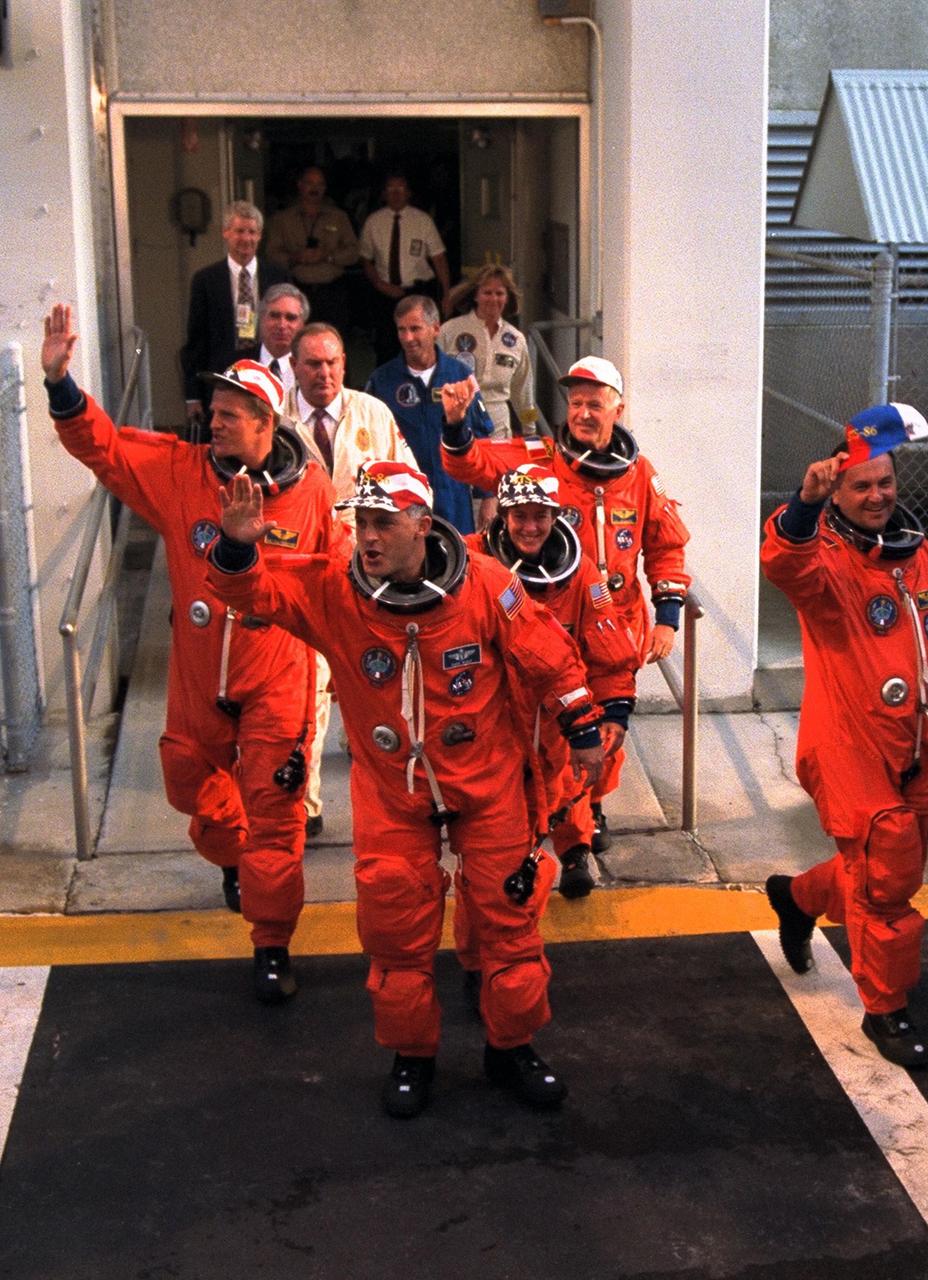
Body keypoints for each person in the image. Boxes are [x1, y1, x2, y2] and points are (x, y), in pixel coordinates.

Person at [206, 458, 605, 1118]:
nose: (367, 536)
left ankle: (512, 1047)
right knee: (395, 928)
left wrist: (583, 722)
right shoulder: (337, 588)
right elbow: (251, 593)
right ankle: (411, 1055)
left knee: (510, 919)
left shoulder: (485, 583)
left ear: (421, 525)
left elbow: (549, 653)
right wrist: (238, 545)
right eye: (361, 522)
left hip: (488, 780)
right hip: (393, 790)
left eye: (383, 523)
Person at [43, 303, 343, 1004]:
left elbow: (331, 587)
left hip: (277, 679)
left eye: (232, 413)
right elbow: (107, 449)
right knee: (186, 782)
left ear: (268, 425)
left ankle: (270, 944)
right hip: (196, 675)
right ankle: (236, 854)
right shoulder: (181, 473)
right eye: (214, 410)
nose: (215, 420)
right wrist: (61, 385)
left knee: (277, 817)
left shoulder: (311, 493)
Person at [761, 403, 928, 1068]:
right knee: (887, 873)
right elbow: (783, 563)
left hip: (911, 742)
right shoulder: (826, 563)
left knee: (880, 869)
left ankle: (797, 899)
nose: (878, 494)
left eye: (885, 482)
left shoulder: (919, 558)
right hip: (847, 743)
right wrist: (804, 502)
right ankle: (886, 1009)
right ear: (840, 491)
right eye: (861, 485)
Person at [440, 355, 691, 853]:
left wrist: (668, 619)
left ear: (617, 408)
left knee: (605, 727)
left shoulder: (640, 474)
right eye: (575, 402)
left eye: (594, 403)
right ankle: (550, 814)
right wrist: (455, 424)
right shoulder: (541, 459)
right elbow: (474, 464)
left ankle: (589, 807)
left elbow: (666, 545)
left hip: (618, 622)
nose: (583, 413)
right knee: (549, 728)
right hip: (554, 619)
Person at [461, 463, 638, 903]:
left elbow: (607, 642)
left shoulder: (579, 573)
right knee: (506, 797)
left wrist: (614, 710)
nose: (530, 526)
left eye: (540, 515)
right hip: (496, 705)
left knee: (568, 776)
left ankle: (575, 850)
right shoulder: (472, 560)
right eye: (520, 515)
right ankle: (516, 863)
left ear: (556, 515)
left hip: (561, 702)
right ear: (502, 515)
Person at [283, 321, 419, 838]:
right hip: (304, 566)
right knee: (309, 685)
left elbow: (409, 483)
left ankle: (394, 784)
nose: (324, 373)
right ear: (295, 367)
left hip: (368, 559)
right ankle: (307, 804)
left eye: (333, 363)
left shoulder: (373, 413)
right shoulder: (275, 422)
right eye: (313, 364)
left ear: (345, 364)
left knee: (377, 676)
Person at [365, 295, 494, 534]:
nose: (408, 338)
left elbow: (481, 435)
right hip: (403, 497)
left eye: (415, 329)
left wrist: (488, 496)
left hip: (453, 496)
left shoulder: (460, 375)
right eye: (401, 330)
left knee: (460, 560)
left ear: (435, 329)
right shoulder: (382, 381)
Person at [180, 200, 287, 441]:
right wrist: (192, 396)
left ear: (260, 236)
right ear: (225, 233)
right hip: (223, 379)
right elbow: (195, 341)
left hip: (267, 378)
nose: (246, 238)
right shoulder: (206, 280)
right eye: (239, 231)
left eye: (252, 232)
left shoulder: (278, 276)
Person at [359, 172, 451, 362]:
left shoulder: (422, 220)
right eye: (391, 189)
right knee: (386, 346)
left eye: (400, 189)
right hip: (385, 293)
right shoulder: (373, 222)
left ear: (408, 193)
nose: (396, 194)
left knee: (421, 344)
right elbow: (366, 259)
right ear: (384, 194)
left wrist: (447, 294)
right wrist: (378, 283)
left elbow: (439, 259)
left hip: (418, 291)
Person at [440, 264, 537, 442]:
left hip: (499, 429)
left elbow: (523, 392)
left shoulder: (516, 339)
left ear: (507, 298)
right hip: (459, 423)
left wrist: (531, 432)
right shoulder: (449, 331)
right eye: (487, 292)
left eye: (499, 293)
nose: (493, 299)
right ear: (476, 295)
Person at [264, 166, 358, 334]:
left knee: (332, 341)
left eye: (320, 184)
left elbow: (353, 252)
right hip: (297, 291)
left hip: (332, 293)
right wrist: (295, 257)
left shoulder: (339, 217)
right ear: (300, 185)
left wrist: (328, 256)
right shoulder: (282, 219)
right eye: (309, 183)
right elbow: (271, 255)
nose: (314, 188)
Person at [256, 283, 310, 397]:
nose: (282, 325)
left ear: (302, 326)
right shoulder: (234, 365)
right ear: (261, 319)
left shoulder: (314, 367)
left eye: (291, 318)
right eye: (274, 316)